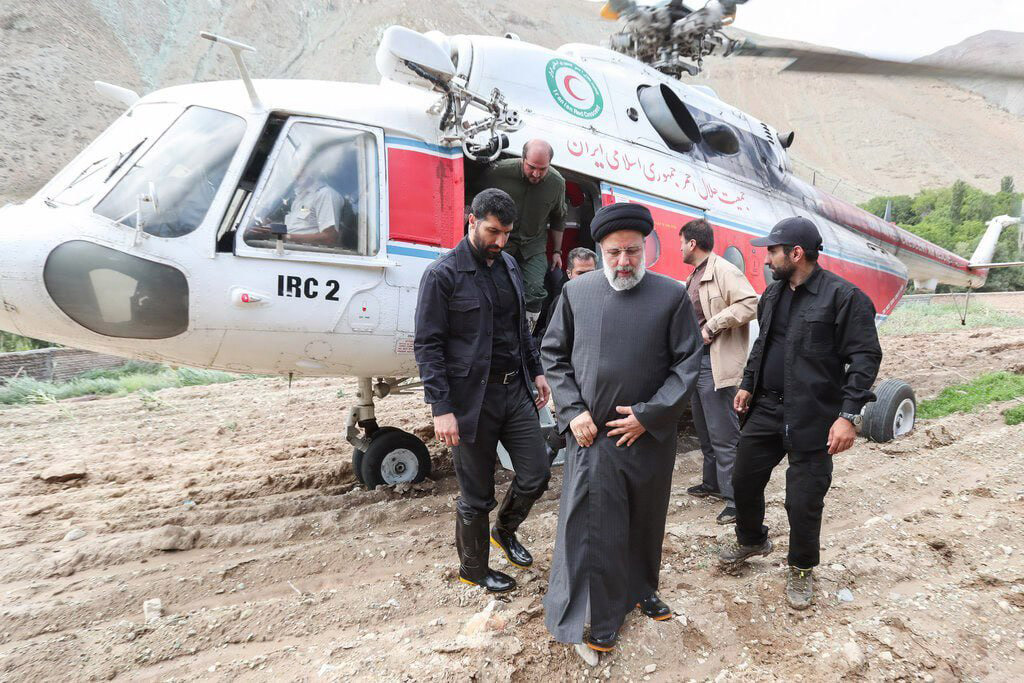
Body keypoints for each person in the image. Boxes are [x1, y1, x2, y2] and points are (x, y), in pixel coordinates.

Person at [541, 203, 703, 654]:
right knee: (598, 529)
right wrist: (572, 410)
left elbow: (687, 363)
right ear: (600, 250)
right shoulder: (577, 293)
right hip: (594, 437)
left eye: (632, 251)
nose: (624, 261)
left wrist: (648, 415)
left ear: (646, 247)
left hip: (648, 435)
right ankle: (603, 617)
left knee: (646, 519)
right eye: (614, 253)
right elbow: (553, 355)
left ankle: (642, 590)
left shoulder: (670, 296)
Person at [718, 216, 882, 610]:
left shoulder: (844, 298)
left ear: (795, 253)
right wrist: (746, 383)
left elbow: (865, 357)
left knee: (803, 499)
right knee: (743, 480)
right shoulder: (772, 295)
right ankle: (752, 539)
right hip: (767, 407)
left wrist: (849, 415)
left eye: (772, 251)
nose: (767, 258)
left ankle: (801, 566)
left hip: (815, 415)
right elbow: (763, 347)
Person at [414, 188, 552, 594]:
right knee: (476, 495)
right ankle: (473, 569)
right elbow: (428, 346)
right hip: (469, 402)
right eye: (493, 231)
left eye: (506, 233)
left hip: (514, 391)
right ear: (471, 221)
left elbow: (520, 330)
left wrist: (538, 371)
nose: (500, 241)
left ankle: (504, 531)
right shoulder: (442, 275)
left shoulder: (508, 264)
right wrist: (441, 408)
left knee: (537, 472)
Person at [679, 219, 758, 525]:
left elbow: (750, 303)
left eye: (681, 242)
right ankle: (712, 483)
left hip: (716, 364)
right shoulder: (696, 274)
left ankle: (737, 501)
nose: (679, 248)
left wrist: (712, 325)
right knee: (705, 429)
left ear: (691, 244)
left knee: (724, 435)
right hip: (697, 364)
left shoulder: (722, 270)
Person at [471, 139, 567, 328]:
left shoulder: (557, 184)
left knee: (535, 292)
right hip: (500, 240)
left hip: (534, 244)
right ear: (522, 159)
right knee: (485, 283)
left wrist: (557, 251)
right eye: (531, 167)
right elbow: (473, 197)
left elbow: (559, 218)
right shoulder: (498, 172)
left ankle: (525, 338)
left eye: (543, 169)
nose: (536, 174)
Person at [532, 247, 597, 343]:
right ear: (569, 274)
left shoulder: (605, 298)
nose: (586, 278)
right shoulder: (561, 302)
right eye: (581, 273)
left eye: (590, 273)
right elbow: (550, 339)